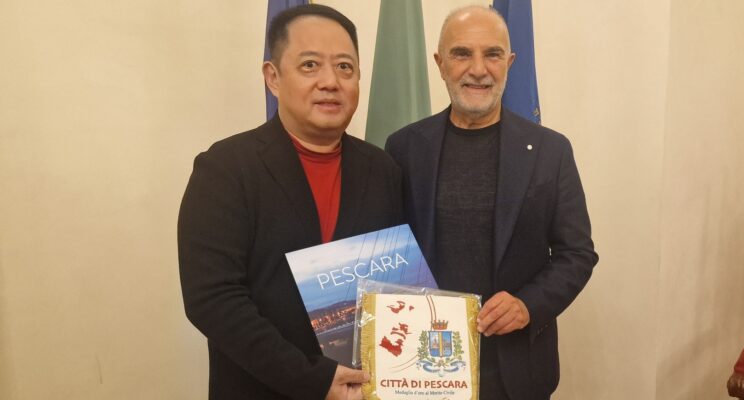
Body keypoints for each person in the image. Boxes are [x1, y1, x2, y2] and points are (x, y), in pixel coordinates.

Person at [178, 4, 401, 400]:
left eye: (345, 67)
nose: (330, 82)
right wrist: (312, 379)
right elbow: (212, 300)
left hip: (363, 389)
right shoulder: (226, 168)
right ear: (273, 77)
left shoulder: (382, 169)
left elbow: (395, 285)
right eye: (310, 65)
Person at [384, 6, 598, 400]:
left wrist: (528, 305)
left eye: (493, 54)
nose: (478, 69)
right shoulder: (404, 148)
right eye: (462, 54)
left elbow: (577, 254)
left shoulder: (550, 151)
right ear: (440, 63)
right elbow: (386, 253)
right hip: (422, 368)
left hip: (516, 371)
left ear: (510, 63)